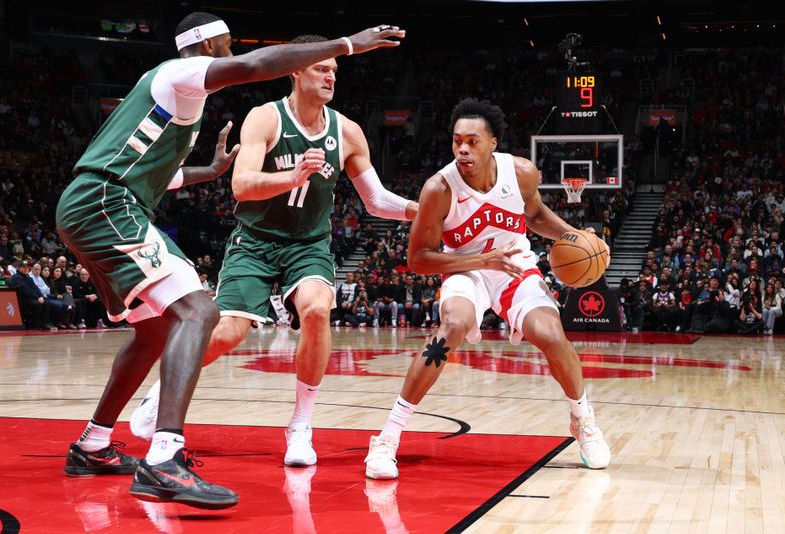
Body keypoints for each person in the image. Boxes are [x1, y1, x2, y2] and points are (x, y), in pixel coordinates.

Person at [55, 12, 406, 509]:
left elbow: (161, 178)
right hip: (106, 204)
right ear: (205, 43)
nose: (233, 49)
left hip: (104, 204)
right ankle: (163, 458)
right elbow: (258, 64)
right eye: (227, 42)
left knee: (154, 330)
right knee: (200, 311)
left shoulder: (182, 100)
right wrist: (349, 43)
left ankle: (92, 446)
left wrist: (209, 170)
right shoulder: (178, 73)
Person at [128, 31, 415, 470]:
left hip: (308, 244)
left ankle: (301, 425)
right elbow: (241, 186)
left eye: (334, 71)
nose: (330, 76)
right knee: (227, 334)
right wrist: (292, 177)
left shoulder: (349, 131)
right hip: (255, 242)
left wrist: (425, 212)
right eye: (321, 67)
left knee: (318, 309)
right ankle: (159, 395)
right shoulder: (265, 118)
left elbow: (376, 201)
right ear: (296, 69)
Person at [363, 99, 610, 480]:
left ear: (493, 143)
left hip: (513, 265)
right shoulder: (438, 189)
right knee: (451, 330)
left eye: (472, 141)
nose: (462, 149)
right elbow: (418, 259)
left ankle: (583, 420)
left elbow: (535, 215)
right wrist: (481, 261)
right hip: (465, 268)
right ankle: (388, 438)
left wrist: (574, 236)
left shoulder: (522, 173)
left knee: (551, 335)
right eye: (457, 141)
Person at [8, 259, 55, 330]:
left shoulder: (28, 277)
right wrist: (37, 297)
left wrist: (40, 296)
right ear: (19, 268)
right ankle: (34, 325)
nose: (26, 269)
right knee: (37, 304)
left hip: (32, 298)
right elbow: (26, 290)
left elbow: (36, 288)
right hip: (23, 299)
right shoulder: (17, 277)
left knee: (47, 303)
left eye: (27, 268)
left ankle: (44, 322)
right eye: (24, 267)